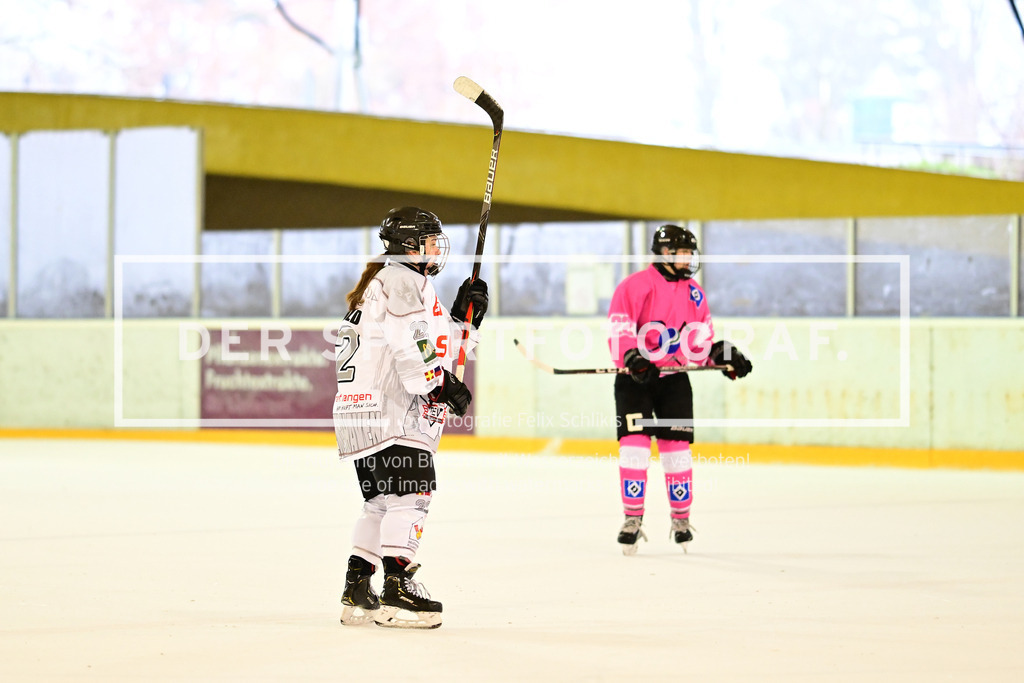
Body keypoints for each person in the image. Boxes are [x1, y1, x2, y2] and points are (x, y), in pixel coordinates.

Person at [333, 206, 488, 629]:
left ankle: (358, 586)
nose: (437, 250)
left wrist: (464, 320)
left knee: (380, 503)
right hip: (393, 414)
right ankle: (398, 590)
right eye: (430, 241)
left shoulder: (386, 281)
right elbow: (413, 348)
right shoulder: (403, 279)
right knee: (413, 496)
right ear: (409, 245)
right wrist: (439, 385)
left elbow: (431, 341)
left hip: (361, 416)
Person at [607, 224, 752, 555]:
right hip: (635, 379)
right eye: (683, 252)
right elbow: (620, 328)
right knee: (635, 450)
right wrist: (632, 356)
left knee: (677, 452)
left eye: (690, 252)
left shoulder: (694, 292)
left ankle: (681, 520)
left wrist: (721, 354)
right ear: (665, 253)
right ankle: (632, 519)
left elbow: (698, 341)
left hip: (673, 378)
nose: (689, 259)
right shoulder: (634, 286)